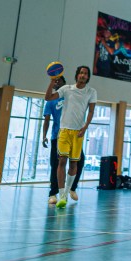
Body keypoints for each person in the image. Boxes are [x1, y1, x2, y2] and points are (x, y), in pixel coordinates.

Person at [44, 65, 97, 210]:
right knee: (61, 161)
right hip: (63, 131)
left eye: (85, 73)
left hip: (78, 132)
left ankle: (68, 191)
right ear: (77, 75)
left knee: (74, 164)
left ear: (88, 77)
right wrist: (51, 82)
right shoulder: (66, 89)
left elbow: (91, 111)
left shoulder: (91, 92)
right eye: (81, 73)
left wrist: (85, 127)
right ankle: (61, 195)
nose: (83, 75)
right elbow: (47, 97)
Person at [42, 75, 85, 206]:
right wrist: (44, 136)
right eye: (55, 81)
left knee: (79, 161)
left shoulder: (70, 96)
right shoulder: (51, 101)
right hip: (57, 136)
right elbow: (46, 120)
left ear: (64, 83)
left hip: (73, 135)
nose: (57, 83)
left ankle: (72, 188)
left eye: (59, 80)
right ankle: (53, 193)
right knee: (56, 164)